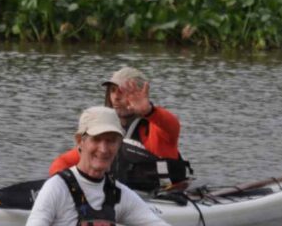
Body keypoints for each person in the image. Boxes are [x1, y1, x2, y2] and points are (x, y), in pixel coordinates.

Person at [15, 106, 230, 226]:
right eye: (97, 140)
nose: (104, 149)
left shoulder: (120, 194)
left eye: (111, 141)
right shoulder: (56, 188)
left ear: (119, 144)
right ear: (80, 141)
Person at [49, 67, 192, 192]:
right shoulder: (105, 132)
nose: (116, 97)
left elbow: (172, 125)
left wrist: (148, 110)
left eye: (122, 91)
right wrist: (64, 187)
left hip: (166, 200)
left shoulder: (157, 130)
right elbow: (63, 162)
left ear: (141, 95)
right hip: (125, 200)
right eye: (112, 90)